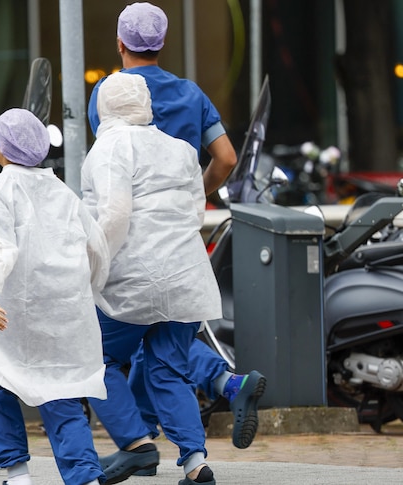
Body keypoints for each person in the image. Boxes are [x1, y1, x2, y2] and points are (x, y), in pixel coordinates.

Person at [87, 1, 265, 453]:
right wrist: (193, 196)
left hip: (128, 246)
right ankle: (213, 406)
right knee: (165, 341)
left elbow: (112, 186)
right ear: (163, 43)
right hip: (179, 240)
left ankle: (137, 442)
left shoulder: (110, 93)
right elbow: (226, 158)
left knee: (103, 348)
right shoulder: (190, 93)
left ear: (120, 43)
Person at [83, 71, 222, 485]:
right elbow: (195, 209)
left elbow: (113, 216)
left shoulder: (108, 148)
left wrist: (90, 268)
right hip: (185, 276)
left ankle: (136, 445)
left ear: (102, 107)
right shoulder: (181, 149)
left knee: (92, 359)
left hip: (132, 278)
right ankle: (196, 464)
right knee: (168, 370)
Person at [0, 108, 109, 485]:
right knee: (63, 394)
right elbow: (97, 247)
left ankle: (17, 474)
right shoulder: (63, 192)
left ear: (1, 147)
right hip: (62, 314)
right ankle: (85, 477)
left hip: (8, 312)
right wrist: (87, 289)